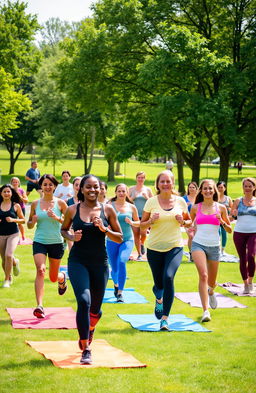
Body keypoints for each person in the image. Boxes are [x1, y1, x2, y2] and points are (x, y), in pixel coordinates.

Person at [61, 174, 123, 365]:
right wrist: (72, 237)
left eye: (96, 187)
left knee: (95, 308)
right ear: (81, 189)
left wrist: (105, 229)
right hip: (78, 261)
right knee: (84, 301)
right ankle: (85, 346)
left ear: (101, 189)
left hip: (99, 263)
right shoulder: (72, 210)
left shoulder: (108, 210)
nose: (92, 190)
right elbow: (63, 230)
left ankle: (91, 327)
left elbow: (120, 237)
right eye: (88, 187)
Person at [140, 170, 191, 330]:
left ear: (173, 183)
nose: (165, 184)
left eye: (168, 181)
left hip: (175, 246)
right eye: (162, 181)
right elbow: (142, 225)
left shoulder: (180, 202)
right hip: (154, 247)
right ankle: (158, 297)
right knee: (159, 284)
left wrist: (183, 221)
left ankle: (164, 318)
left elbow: (189, 222)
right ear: (158, 184)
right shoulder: (151, 202)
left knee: (168, 277)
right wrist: (150, 220)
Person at [190, 179, 232, 322]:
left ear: (215, 191)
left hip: (214, 246)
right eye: (205, 189)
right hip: (198, 244)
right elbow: (189, 224)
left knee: (212, 281)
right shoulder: (195, 207)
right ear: (201, 191)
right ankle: (205, 311)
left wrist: (222, 222)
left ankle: (212, 290)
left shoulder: (221, 208)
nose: (208, 191)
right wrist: (188, 228)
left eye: (210, 189)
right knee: (203, 275)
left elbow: (229, 230)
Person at [27, 174, 68, 319]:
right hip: (40, 241)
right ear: (41, 186)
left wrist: (57, 217)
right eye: (45, 184)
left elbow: (69, 223)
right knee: (40, 270)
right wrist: (32, 221)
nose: (48, 187)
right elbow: (29, 225)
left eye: (50, 184)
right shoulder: (35, 204)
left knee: (52, 277)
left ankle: (62, 278)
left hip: (56, 242)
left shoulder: (61, 204)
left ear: (55, 186)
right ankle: (39, 305)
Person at [107, 184, 140, 302]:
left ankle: (120, 292)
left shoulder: (132, 207)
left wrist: (131, 222)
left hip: (127, 240)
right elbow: (103, 221)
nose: (121, 193)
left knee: (122, 261)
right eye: (119, 191)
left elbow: (138, 223)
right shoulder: (109, 206)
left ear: (127, 193)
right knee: (114, 268)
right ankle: (116, 285)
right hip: (112, 240)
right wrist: (107, 226)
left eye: (123, 191)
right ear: (115, 192)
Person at [232, 177, 256, 294]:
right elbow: (232, 215)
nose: (247, 188)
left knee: (251, 255)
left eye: (250, 186)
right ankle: (245, 284)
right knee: (243, 258)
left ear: (254, 187)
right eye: (245, 186)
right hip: (239, 232)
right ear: (243, 188)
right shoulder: (238, 201)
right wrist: (234, 213)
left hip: (254, 233)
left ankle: (251, 281)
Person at [0, 184, 25, 287]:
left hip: (13, 234)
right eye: (4, 191)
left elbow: (23, 220)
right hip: (1, 234)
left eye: (8, 191)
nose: (6, 193)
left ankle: (7, 280)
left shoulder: (16, 205)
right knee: (4, 259)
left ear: (11, 193)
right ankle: (14, 263)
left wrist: (13, 220)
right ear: (1, 193)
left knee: (8, 255)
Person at [129, 172, 153, 260]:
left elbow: (153, 202)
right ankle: (139, 254)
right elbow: (126, 202)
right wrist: (133, 197)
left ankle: (142, 243)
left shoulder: (148, 189)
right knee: (136, 234)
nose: (140, 179)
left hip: (144, 216)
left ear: (144, 179)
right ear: (136, 178)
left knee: (143, 234)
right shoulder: (131, 189)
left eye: (142, 177)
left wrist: (147, 197)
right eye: (139, 177)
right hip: (134, 215)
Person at [183, 182, 198, 260]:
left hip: (198, 221)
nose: (191, 189)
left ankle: (197, 253)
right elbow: (179, 209)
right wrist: (185, 205)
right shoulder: (184, 198)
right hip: (187, 220)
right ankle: (191, 253)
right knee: (191, 236)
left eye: (193, 187)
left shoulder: (200, 198)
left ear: (196, 189)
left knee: (196, 237)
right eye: (190, 187)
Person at [217, 181, 233, 255]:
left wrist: (229, 212)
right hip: (216, 219)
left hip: (224, 219)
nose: (220, 189)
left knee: (224, 234)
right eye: (219, 187)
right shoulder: (214, 198)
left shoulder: (228, 198)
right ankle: (217, 248)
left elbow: (232, 209)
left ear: (225, 188)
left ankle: (223, 250)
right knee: (217, 233)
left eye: (222, 187)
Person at [10, 177, 28, 241]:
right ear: (11, 183)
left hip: (21, 208)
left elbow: (26, 200)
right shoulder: (9, 190)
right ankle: (13, 237)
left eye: (16, 182)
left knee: (20, 223)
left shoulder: (21, 190)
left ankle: (23, 236)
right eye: (14, 182)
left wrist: (20, 196)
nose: (15, 183)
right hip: (12, 209)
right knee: (12, 222)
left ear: (19, 183)